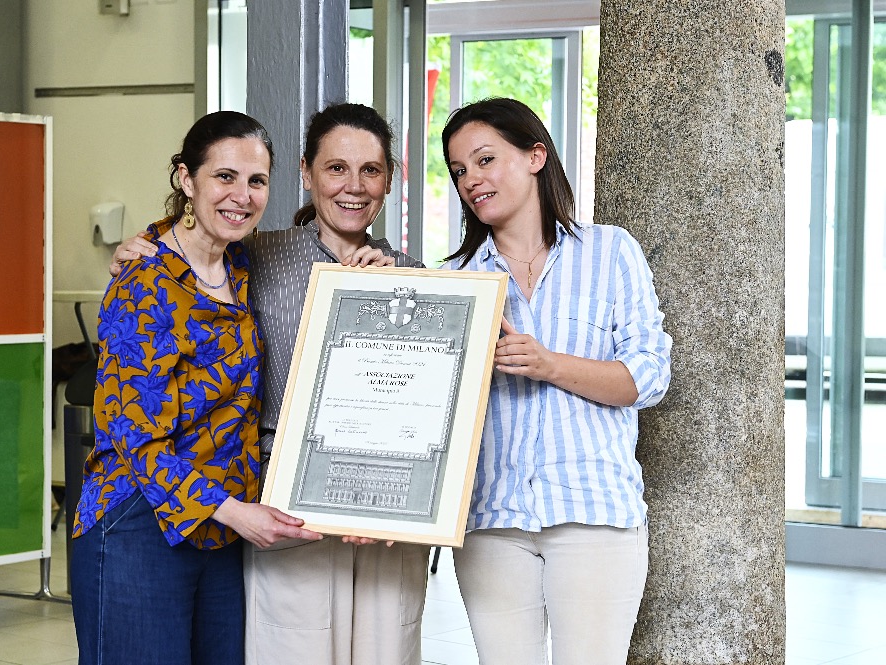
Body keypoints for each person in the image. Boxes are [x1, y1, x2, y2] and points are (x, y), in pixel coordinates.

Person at [111, 103, 430, 665]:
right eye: (336, 168)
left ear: (389, 180)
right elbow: (189, 250)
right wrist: (138, 247)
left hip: (386, 503)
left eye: (371, 170)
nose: (354, 186)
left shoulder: (416, 278)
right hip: (281, 500)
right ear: (306, 173)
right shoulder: (256, 256)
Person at [71, 110, 322, 665]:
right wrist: (235, 512)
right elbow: (135, 437)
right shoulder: (143, 284)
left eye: (257, 181)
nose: (242, 196)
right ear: (186, 178)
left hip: (219, 529)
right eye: (224, 176)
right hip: (139, 518)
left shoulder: (241, 265)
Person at [440, 97, 672, 665]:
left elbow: (648, 376)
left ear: (535, 156)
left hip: (593, 514)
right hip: (491, 520)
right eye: (459, 170)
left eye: (485, 160)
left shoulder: (610, 252)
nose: (471, 180)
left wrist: (549, 364)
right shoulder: (454, 279)